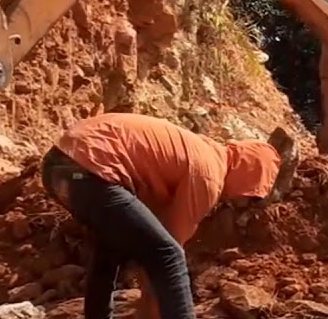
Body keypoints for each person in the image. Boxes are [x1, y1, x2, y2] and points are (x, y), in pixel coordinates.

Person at [40, 113, 298, 319]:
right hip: (89, 168)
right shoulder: (209, 174)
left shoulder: (200, 152)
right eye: (251, 195)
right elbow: (165, 253)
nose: (241, 202)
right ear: (249, 173)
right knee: (170, 254)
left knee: (110, 250)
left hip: (60, 167)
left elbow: (150, 249)